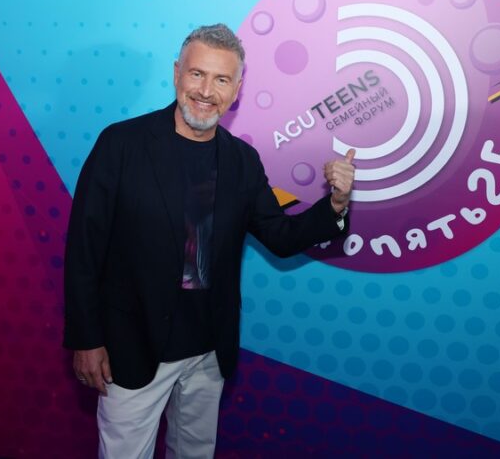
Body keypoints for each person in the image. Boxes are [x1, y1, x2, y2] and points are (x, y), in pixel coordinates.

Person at [63, 23, 355, 458]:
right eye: (197, 74)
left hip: (208, 351)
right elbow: (83, 250)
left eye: (221, 79)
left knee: (195, 453)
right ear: (177, 74)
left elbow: (280, 236)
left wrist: (335, 204)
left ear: (236, 90)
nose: (205, 91)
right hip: (132, 347)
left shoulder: (242, 160)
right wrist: (86, 339)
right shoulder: (121, 144)